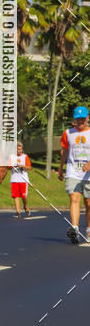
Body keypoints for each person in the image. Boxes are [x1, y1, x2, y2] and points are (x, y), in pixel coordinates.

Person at [58, 105, 90, 245]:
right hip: (73, 171)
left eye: (83, 118)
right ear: (74, 119)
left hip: (89, 174)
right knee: (74, 197)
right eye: (78, 119)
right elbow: (64, 151)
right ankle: (75, 228)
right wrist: (61, 168)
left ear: (88, 118)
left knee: (88, 203)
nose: (80, 121)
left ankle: (89, 230)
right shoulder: (68, 133)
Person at [8, 141, 32, 219]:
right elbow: (8, 166)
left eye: (20, 149)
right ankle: (18, 212)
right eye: (18, 149)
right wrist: (13, 165)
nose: (19, 151)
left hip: (23, 179)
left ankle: (25, 206)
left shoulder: (25, 157)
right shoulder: (11, 156)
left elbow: (29, 167)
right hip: (14, 179)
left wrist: (22, 166)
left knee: (23, 196)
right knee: (15, 196)